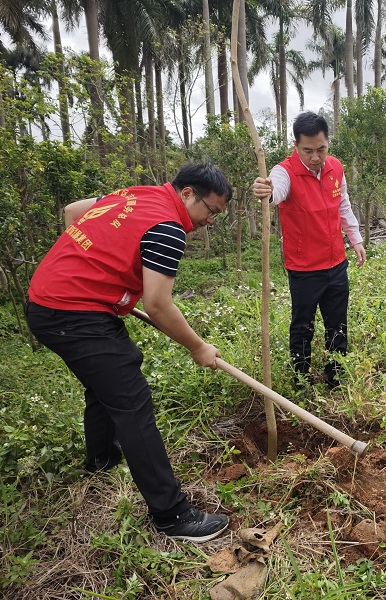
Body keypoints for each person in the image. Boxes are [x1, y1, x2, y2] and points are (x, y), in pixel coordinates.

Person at [26, 163, 233, 542]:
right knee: (132, 403)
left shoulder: (136, 195)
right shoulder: (169, 228)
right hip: (73, 313)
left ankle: (101, 458)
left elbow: (73, 212)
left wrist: (95, 266)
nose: (210, 221)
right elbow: (158, 304)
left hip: (46, 302)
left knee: (107, 379)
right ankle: (172, 515)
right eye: (211, 211)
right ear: (188, 193)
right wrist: (198, 347)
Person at [252, 111, 366, 389]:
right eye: (308, 150)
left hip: (337, 263)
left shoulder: (335, 168)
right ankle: (300, 381)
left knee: (337, 324)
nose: (315, 157)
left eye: (321, 149)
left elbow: (343, 205)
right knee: (303, 326)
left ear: (328, 142)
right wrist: (265, 189)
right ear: (296, 144)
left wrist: (356, 238)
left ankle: (335, 379)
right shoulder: (284, 172)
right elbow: (276, 191)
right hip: (304, 269)